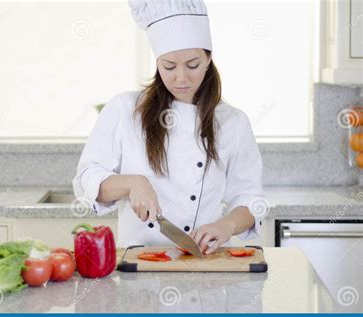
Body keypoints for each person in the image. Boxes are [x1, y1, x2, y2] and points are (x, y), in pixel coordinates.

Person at [72, 0, 264, 254]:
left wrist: (226, 225)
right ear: (157, 62)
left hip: (207, 266)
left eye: (193, 65)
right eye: (169, 66)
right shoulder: (124, 110)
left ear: (209, 59)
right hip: (141, 264)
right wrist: (132, 183)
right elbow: (87, 180)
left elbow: (250, 200)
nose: (181, 78)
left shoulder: (233, 122)